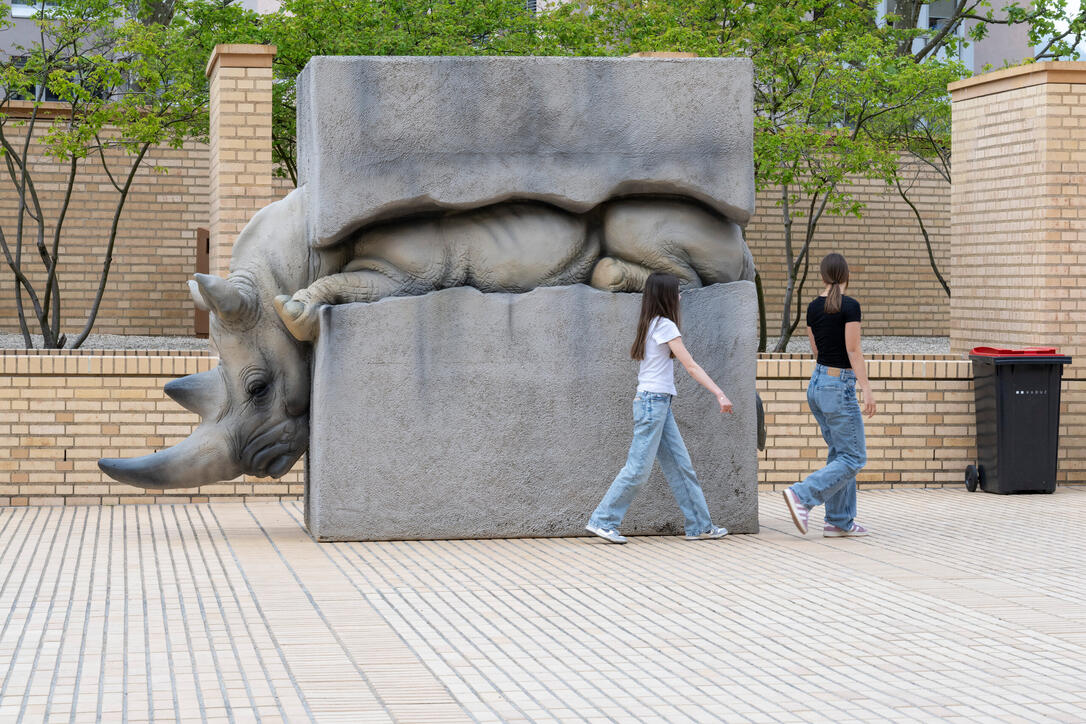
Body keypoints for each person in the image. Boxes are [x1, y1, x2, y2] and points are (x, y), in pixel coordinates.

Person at [586, 272, 733, 544]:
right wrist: (719, 393)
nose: (679, 297)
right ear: (666, 296)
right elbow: (690, 365)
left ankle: (700, 525)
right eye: (676, 292)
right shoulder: (665, 325)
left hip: (657, 404)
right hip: (653, 404)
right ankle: (603, 520)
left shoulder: (650, 323)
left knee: (681, 467)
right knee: (638, 469)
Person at [783, 253, 876, 538]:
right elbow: (853, 350)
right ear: (847, 274)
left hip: (818, 384)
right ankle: (802, 495)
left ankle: (838, 521)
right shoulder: (850, 306)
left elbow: (816, 351)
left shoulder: (812, 308)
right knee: (854, 457)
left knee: (840, 453)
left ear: (822, 275)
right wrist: (866, 387)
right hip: (839, 386)